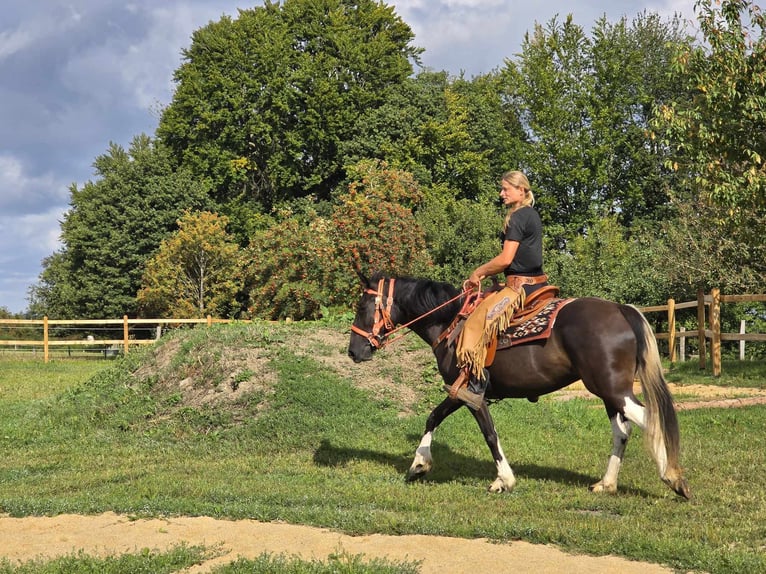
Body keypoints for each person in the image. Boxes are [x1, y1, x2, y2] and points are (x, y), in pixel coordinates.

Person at [456, 170, 548, 407]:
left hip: (520, 288)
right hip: (539, 284)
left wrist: (479, 272)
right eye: (502, 188)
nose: (501, 193)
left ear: (521, 190)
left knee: (477, 321)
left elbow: (506, 259)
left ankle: (476, 386)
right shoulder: (532, 214)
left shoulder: (517, 217)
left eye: (506, 189)